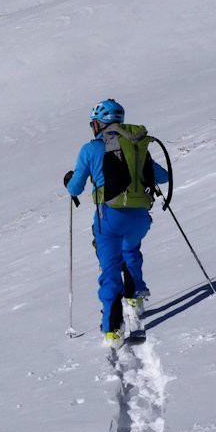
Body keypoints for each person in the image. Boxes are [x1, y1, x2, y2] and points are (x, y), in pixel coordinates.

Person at [63, 99, 170, 341]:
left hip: (109, 217)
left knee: (110, 267)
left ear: (99, 124)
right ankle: (136, 296)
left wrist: (69, 179)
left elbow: (75, 188)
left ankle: (112, 328)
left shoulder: (90, 149)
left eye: (93, 123)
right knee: (131, 250)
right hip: (141, 217)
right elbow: (161, 177)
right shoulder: (136, 146)